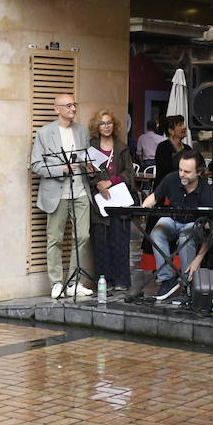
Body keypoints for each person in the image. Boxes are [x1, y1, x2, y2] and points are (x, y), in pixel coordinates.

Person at [30, 93, 96, 298]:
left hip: (81, 191)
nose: (73, 109)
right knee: (55, 239)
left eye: (74, 105)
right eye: (68, 106)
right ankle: (56, 283)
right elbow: (35, 165)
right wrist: (62, 169)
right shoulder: (44, 133)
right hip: (56, 193)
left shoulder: (82, 131)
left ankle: (74, 283)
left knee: (83, 236)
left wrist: (90, 167)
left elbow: (87, 157)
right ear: (56, 109)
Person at [142, 148, 213, 295]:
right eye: (180, 169)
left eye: (187, 172)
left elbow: (211, 229)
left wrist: (199, 258)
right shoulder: (172, 178)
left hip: (193, 225)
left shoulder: (206, 192)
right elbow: (154, 197)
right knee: (156, 232)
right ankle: (167, 279)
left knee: (186, 236)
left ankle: (188, 282)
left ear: (199, 172)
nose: (181, 174)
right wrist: (142, 208)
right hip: (173, 220)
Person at [89, 108, 136, 294]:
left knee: (120, 241)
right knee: (100, 243)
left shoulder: (122, 147)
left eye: (109, 123)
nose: (106, 126)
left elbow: (129, 174)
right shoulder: (91, 146)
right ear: (97, 126)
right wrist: (98, 183)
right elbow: (86, 173)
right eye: (102, 123)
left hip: (119, 201)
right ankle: (104, 280)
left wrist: (111, 181)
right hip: (99, 202)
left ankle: (121, 281)